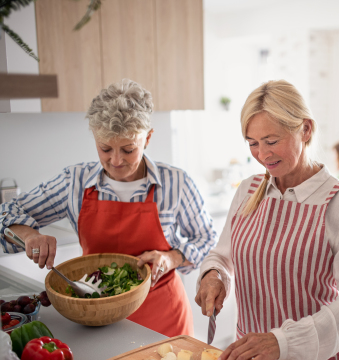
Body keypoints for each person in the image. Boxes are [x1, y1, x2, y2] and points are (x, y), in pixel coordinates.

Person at [195, 80, 339, 360]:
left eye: (271, 140)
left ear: (305, 129)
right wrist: (214, 275)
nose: (262, 155)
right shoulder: (248, 190)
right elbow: (223, 255)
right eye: (252, 143)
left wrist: (283, 341)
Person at [0, 79, 217, 337]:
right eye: (105, 148)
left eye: (128, 149)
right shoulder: (75, 181)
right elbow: (6, 213)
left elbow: (206, 238)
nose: (115, 161)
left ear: (147, 138)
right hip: (96, 317)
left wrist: (172, 257)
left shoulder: (176, 182)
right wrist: (30, 235)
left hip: (163, 316)